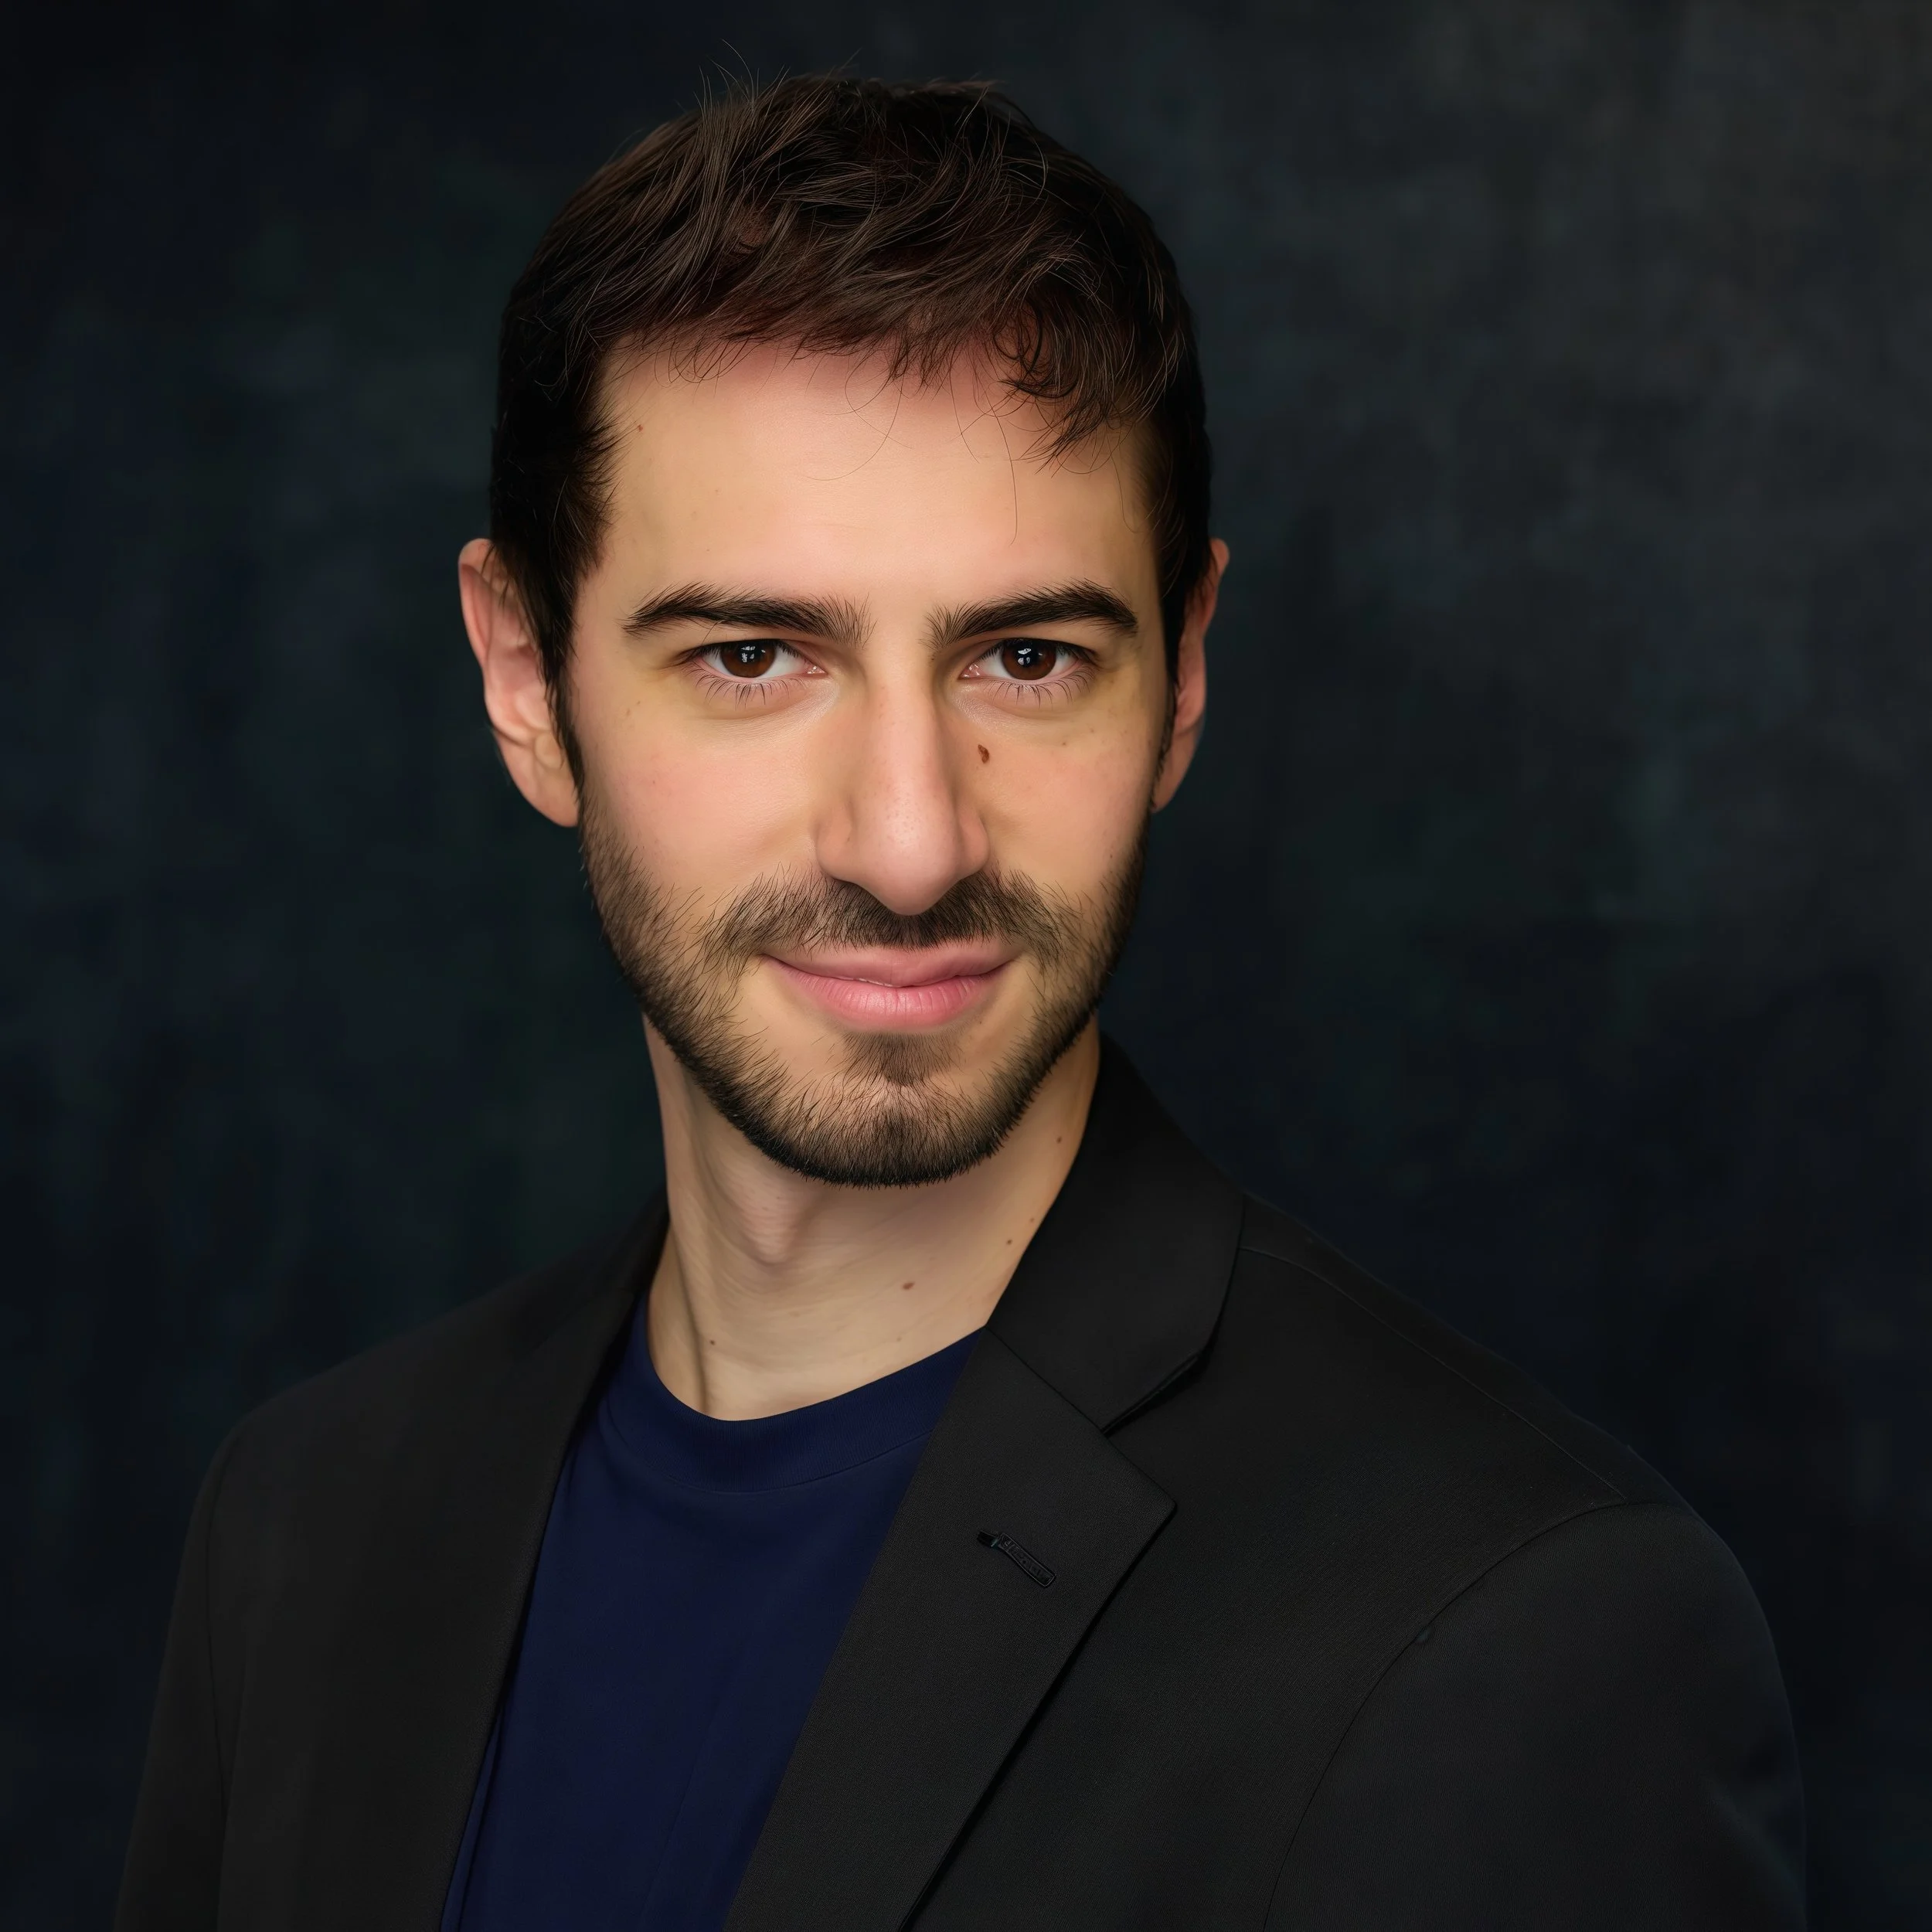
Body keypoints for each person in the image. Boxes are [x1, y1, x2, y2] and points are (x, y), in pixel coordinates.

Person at [116, 76, 1804, 1932]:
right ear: (526, 678)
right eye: (754, 657)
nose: (910, 841)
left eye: (1026, 656)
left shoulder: (1527, 1633)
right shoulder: (305, 1524)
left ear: (1179, 685)